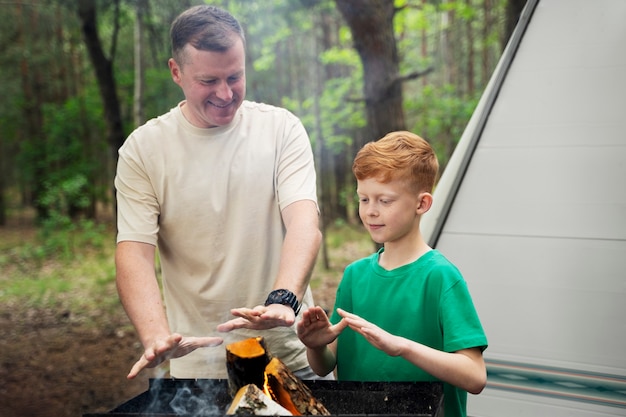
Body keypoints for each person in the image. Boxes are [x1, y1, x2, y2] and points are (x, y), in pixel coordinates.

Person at [115, 5, 326, 381]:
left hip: (290, 359)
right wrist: (156, 336)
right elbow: (134, 251)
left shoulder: (281, 130)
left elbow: (304, 224)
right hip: (199, 369)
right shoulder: (143, 149)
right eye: (209, 81)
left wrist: (283, 299)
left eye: (235, 76)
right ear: (176, 72)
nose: (226, 93)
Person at [297, 131, 488, 417]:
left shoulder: (440, 277)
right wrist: (315, 346)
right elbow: (326, 365)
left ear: (421, 204)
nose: (370, 212)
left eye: (384, 201)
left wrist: (402, 347)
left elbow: (475, 376)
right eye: (364, 199)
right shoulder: (354, 276)